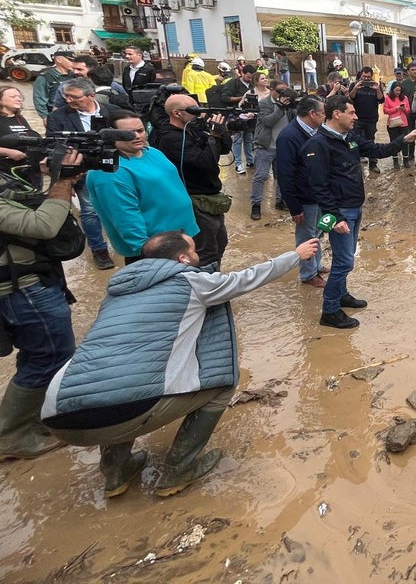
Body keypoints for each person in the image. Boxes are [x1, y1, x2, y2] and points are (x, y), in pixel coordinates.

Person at [41, 230, 321, 497]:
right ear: (183, 259)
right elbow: (247, 278)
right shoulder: (191, 281)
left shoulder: (116, 291)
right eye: (194, 250)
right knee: (222, 386)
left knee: (116, 380)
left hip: (57, 414)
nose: (198, 254)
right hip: (123, 410)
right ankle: (179, 469)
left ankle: (116, 473)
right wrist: (295, 255)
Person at [304, 96, 416, 329]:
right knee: (344, 262)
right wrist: (335, 217)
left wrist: (404, 140)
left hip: (355, 206)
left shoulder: (349, 137)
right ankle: (330, 311)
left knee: (345, 257)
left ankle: (341, 295)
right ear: (336, 114)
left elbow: (377, 150)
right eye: (351, 112)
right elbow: (318, 186)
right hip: (340, 212)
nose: (355, 117)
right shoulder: (319, 144)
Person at [0, 149, 83, 460]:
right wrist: (62, 182)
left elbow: (33, 204)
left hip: (33, 280)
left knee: (38, 354)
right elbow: (43, 225)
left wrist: (54, 178)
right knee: (50, 356)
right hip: (23, 291)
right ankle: (12, 436)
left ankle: (31, 420)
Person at [86, 111, 199, 264]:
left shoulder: (152, 152)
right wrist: (147, 253)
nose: (137, 136)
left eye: (140, 130)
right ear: (110, 135)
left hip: (183, 236)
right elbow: (124, 217)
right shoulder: (109, 172)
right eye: (128, 133)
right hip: (158, 249)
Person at [46, 78, 116, 270]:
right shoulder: (57, 117)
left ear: (91, 95)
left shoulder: (111, 112)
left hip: (114, 168)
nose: (68, 100)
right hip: (83, 172)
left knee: (118, 205)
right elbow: (53, 146)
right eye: (66, 96)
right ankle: (99, 249)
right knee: (90, 211)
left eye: (73, 96)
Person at [157, 95, 233, 268]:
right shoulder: (170, 138)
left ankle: (214, 278)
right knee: (205, 251)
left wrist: (221, 131)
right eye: (194, 111)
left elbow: (223, 150)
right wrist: (213, 137)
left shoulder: (191, 129)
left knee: (220, 242)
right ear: (177, 113)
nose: (199, 115)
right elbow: (205, 163)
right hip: (194, 199)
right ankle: (204, 282)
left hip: (209, 196)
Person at [275, 96, 328, 288]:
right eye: (323, 113)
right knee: (306, 236)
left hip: (318, 195)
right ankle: (308, 274)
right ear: (312, 114)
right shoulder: (288, 137)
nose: (326, 117)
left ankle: (317, 265)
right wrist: (294, 207)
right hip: (304, 198)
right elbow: (284, 175)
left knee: (319, 232)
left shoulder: (316, 131)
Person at [250, 81, 294, 220]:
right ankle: (256, 205)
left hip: (282, 147)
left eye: (285, 91)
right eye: (280, 91)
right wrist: (280, 106)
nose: (283, 94)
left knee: (282, 176)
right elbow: (268, 122)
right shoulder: (265, 103)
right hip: (265, 146)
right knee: (260, 176)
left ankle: (280, 201)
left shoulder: (289, 105)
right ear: (271, 90)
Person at [0, 86, 42, 183]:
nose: (19, 99)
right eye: (13, 97)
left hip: (28, 171)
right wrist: (9, 152)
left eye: (20, 97)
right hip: (6, 174)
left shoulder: (20, 119)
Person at [349, 67, 384, 174]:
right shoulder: (354, 84)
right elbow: (350, 98)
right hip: (357, 119)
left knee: (370, 141)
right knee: (353, 141)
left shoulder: (376, 85)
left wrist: (377, 89)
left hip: (371, 119)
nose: (366, 79)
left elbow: (381, 100)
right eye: (364, 76)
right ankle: (355, 164)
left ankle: (373, 164)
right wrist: (355, 88)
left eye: (368, 77)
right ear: (361, 75)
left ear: (371, 76)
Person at [32, 50, 72, 119]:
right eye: (70, 60)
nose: (73, 63)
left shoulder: (74, 75)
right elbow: (39, 99)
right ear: (59, 60)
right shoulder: (46, 77)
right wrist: (45, 116)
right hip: (56, 113)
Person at [382, 82, 411, 169]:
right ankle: (395, 161)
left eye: (399, 90)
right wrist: (396, 108)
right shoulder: (388, 98)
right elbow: (385, 111)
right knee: (394, 142)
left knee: (405, 142)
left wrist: (404, 108)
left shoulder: (405, 98)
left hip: (404, 123)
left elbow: (408, 111)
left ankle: (406, 161)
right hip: (392, 124)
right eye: (396, 90)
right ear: (392, 90)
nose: (398, 92)